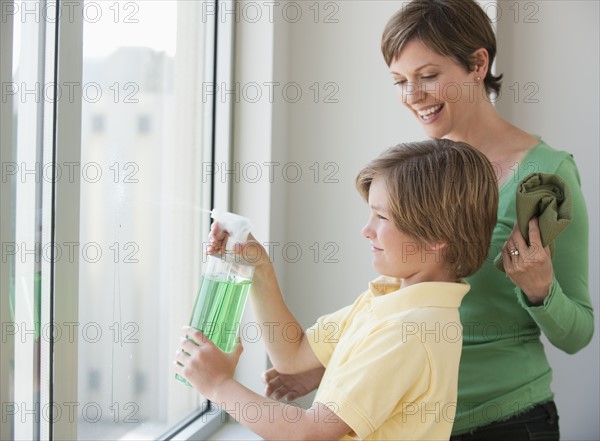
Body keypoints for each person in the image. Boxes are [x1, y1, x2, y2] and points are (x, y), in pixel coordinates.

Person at [263, 1, 595, 440]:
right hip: (411, 424)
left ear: (478, 63)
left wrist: (540, 291)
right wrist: (340, 363)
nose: (412, 96)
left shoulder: (545, 177)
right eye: (400, 81)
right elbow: (408, 303)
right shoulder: (418, 171)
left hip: (505, 422)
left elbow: (578, 334)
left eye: (428, 76)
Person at [174, 139, 499, 440]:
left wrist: (219, 385)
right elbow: (293, 355)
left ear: (437, 236)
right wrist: (260, 269)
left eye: (381, 217)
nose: (366, 230)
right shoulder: (386, 299)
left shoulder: (410, 331)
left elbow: (310, 432)